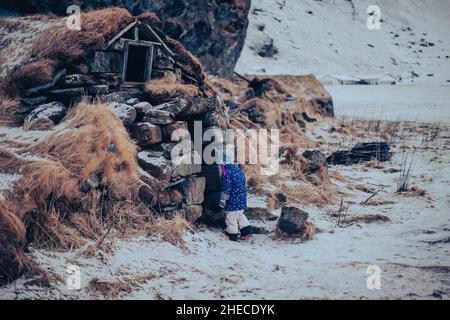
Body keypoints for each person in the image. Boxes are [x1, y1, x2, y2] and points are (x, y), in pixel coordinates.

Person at [218, 147, 253, 241]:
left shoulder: (226, 173)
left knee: (231, 217)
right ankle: (246, 232)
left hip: (233, 201)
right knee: (240, 215)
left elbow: (226, 189)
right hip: (241, 199)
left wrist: (222, 201)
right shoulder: (238, 170)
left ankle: (232, 234)